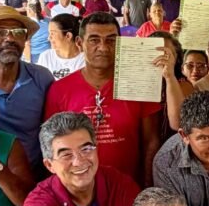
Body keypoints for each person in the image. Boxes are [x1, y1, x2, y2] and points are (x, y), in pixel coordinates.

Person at [43, 12, 163, 186]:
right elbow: (52, 145)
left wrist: (146, 187)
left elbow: (151, 141)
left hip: (128, 188)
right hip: (78, 190)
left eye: (111, 40)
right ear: (79, 43)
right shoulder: (59, 90)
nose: (103, 47)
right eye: (94, 40)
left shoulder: (139, 84)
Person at [0, 6, 56, 171]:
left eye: (18, 32)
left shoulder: (41, 78)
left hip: (32, 174)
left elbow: (52, 130)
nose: (10, 38)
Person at [36, 13, 86, 81]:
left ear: (68, 36)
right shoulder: (45, 57)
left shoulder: (85, 60)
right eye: (49, 33)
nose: (49, 38)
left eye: (52, 33)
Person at [25, 0, 51, 65]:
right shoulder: (49, 21)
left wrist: (27, 61)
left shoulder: (27, 24)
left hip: (35, 56)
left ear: (29, 11)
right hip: (49, 53)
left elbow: (27, 44)